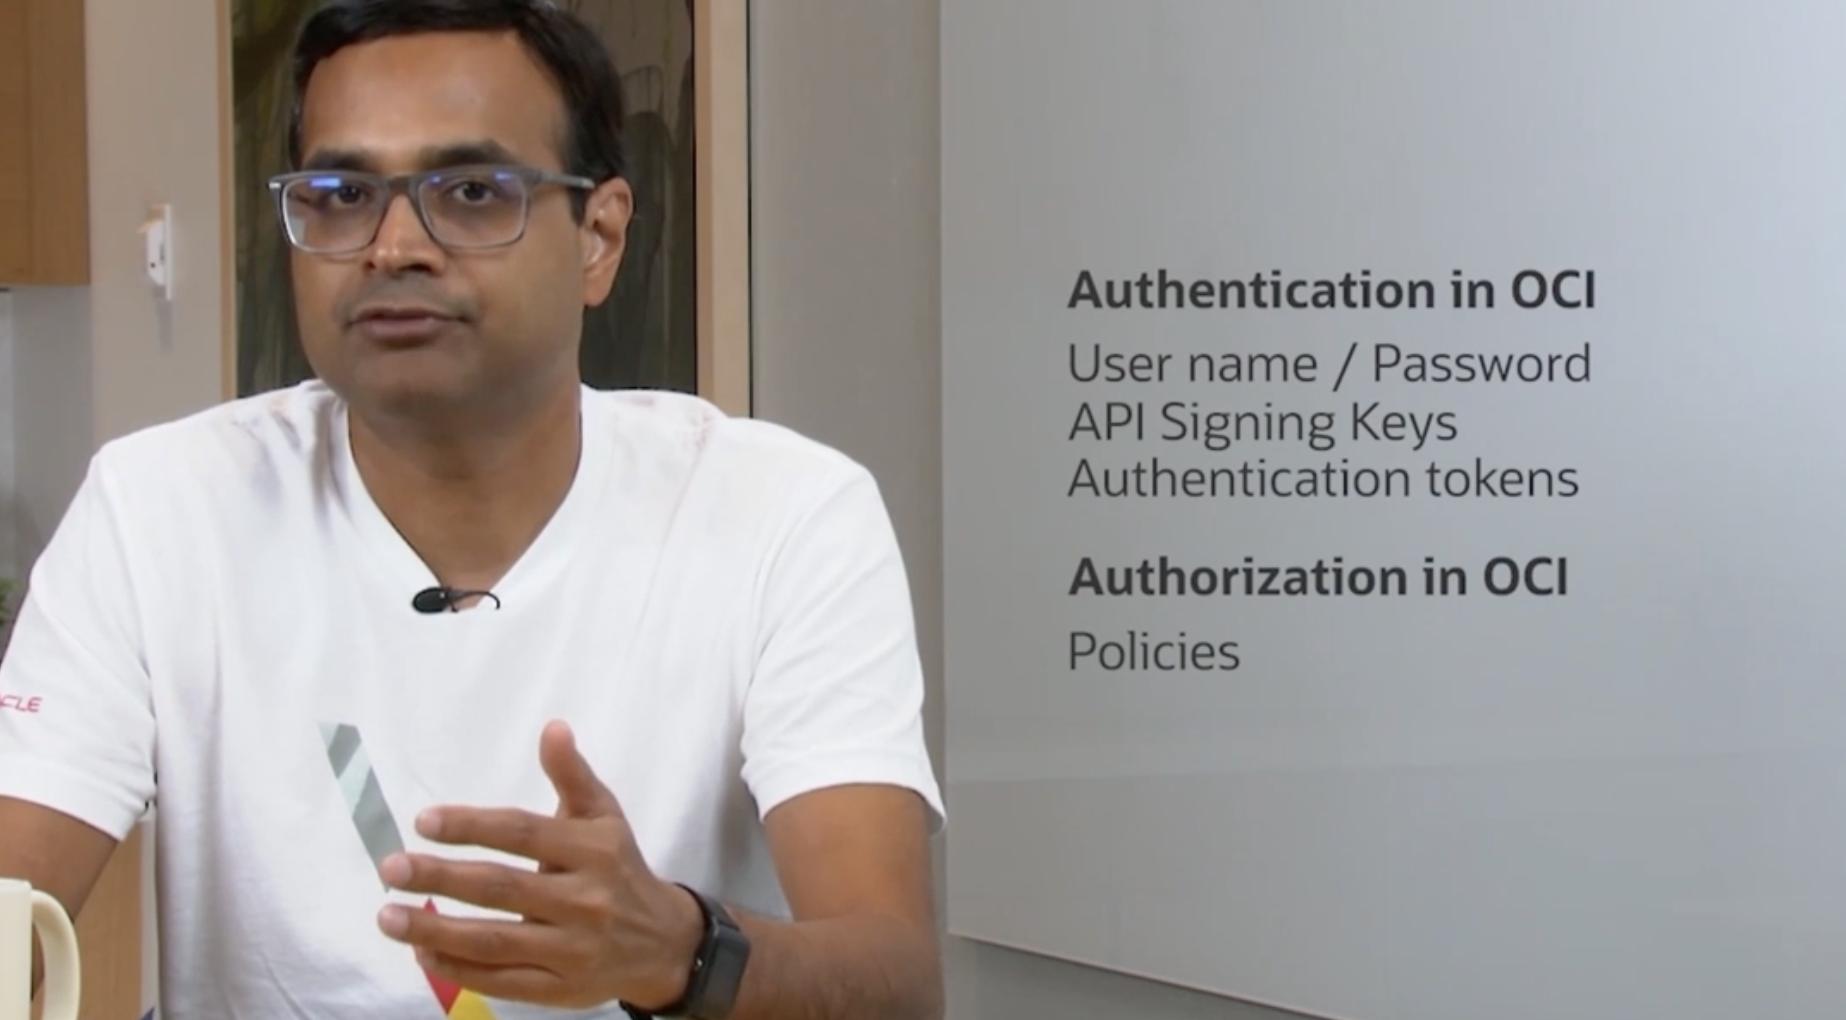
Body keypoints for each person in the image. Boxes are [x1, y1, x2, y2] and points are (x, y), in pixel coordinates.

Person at [0, 1, 945, 1018]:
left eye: (472, 192)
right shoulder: (160, 508)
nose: (392, 246)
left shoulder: (780, 514)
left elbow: (893, 980)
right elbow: (15, 900)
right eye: (340, 195)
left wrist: (682, 949)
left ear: (599, 237)